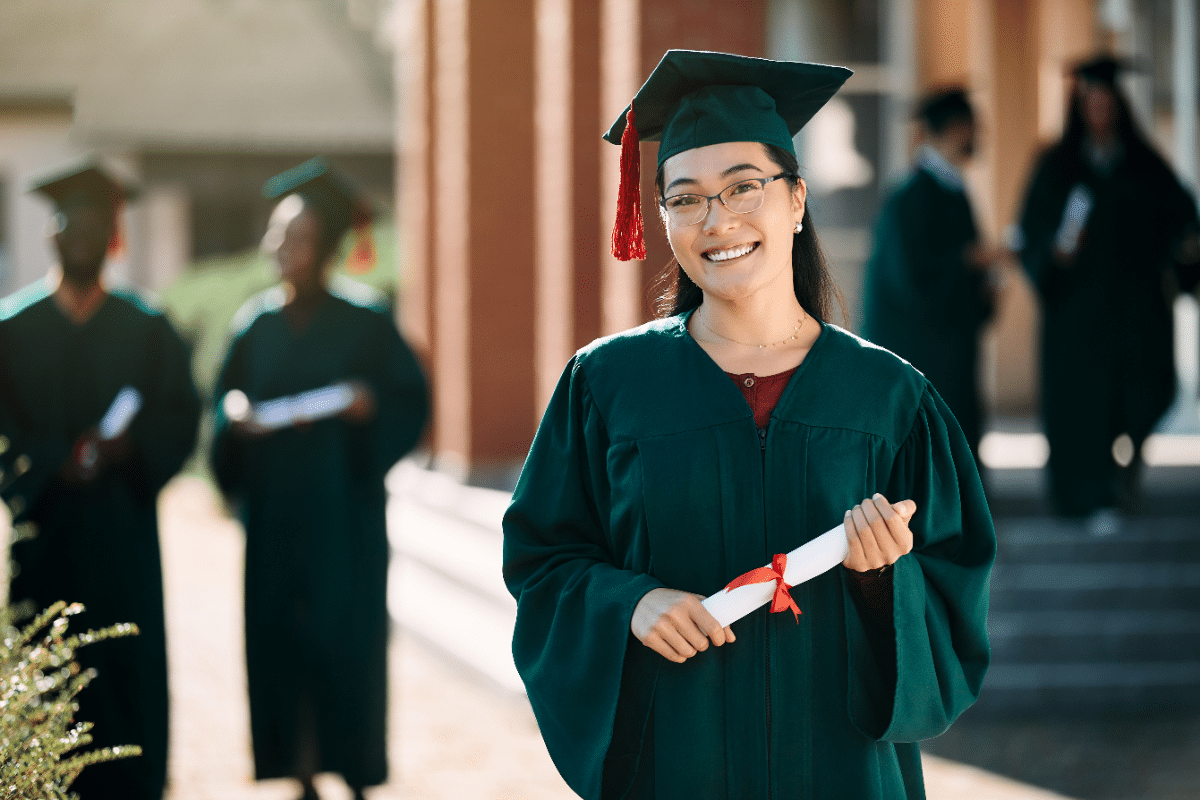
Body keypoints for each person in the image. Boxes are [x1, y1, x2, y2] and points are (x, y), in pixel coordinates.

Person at [502, 50, 995, 800]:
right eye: (685, 198)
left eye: (743, 188)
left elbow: (954, 596)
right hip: (674, 768)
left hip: (842, 772)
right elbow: (544, 559)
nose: (717, 219)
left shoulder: (890, 398)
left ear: (797, 201)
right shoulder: (607, 387)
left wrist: (881, 581)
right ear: (660, 217)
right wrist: (630, 603)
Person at [211, 158, 429, 800]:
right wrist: (234, 420)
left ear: (329, 248)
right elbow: (221, 406)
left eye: (297, 238)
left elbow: (410, 400)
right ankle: (299, 773)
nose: (281, 249)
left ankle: (356, 771)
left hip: (344, 514)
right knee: (282, 644)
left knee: (347, 642)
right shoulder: (253, 325)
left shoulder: (365, 320)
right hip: (276, 514)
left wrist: (369, 409)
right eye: (276, 236)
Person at [0, 161, 201, 800]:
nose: (82, 239)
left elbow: (179, 414)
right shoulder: (12, 331)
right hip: (45, 537)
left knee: (125, 679)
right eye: (71, 228)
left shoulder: (147, 328)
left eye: (96, 228)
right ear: (53, 238)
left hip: (123, 537)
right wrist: (54, 458)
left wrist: (128, 448)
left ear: (113, 240)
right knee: (46, 677)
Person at [1016, 55, 1200, 531]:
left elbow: (1181, 221)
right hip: (1078, 317)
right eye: (1091, 100)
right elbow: (1032, 235)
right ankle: (1088, 492)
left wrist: (1184, 249)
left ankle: (1126, 472)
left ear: (1119, 104)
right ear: (1079, 105)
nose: (1100, 109)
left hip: (1136, 312)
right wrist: (1057, 253)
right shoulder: (1056, 166)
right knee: (1083, 405)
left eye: (1107, 99)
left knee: (1145, 392)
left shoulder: (1142, 162)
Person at [862, 88, 1003, 460]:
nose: (978, 138)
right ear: (956, 130)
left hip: (946, 343)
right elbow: (910, 277)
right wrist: (968, 261)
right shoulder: (914, 196)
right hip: (919, 346)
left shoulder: (950, 189)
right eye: (973, 128)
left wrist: (984, 286)